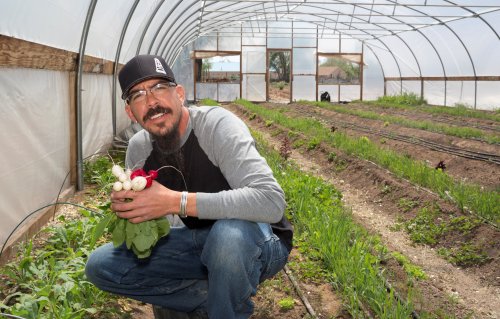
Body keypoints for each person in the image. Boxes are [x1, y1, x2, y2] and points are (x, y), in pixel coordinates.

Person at [85, 54, 293, 319]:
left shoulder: (216, 126)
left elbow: (271, 201)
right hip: (195, 245)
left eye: (159, 88)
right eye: (138, 95)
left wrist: (177, 201)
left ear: (180, 94)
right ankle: (212, 297)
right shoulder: (139, 148)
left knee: (227, 236)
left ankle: (224, 308)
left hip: (258, 242)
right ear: (130, 112)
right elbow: (160, 225)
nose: (151, 102)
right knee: (101, 265)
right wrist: (133, 211)